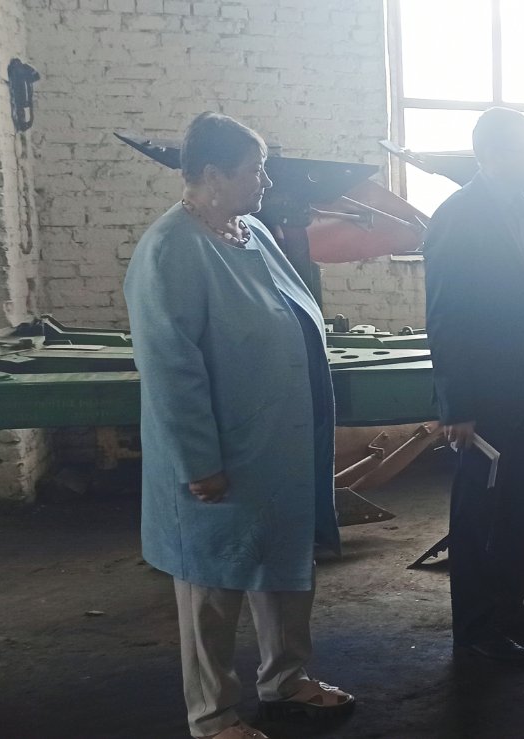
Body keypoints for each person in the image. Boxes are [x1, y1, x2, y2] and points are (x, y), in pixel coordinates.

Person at [124, 113, 354, 739]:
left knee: (285, 561)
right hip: (222, 452)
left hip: (276, 445)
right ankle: (213, 715)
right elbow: (171, 369)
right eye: (255, 170)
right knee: (212, 581)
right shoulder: (171, 249)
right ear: (213, 174)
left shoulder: (250, 232)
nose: (266, 181)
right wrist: (199, 462)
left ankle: (286, 679)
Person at [424, 107, 524, 666]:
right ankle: (474, 627)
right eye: (523, 149)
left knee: (518, 504)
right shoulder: (457, 217)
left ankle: (510, 608)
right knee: (477, 514)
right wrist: (457, 405)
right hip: (484, 396)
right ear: (489, 154)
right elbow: (445, 319)